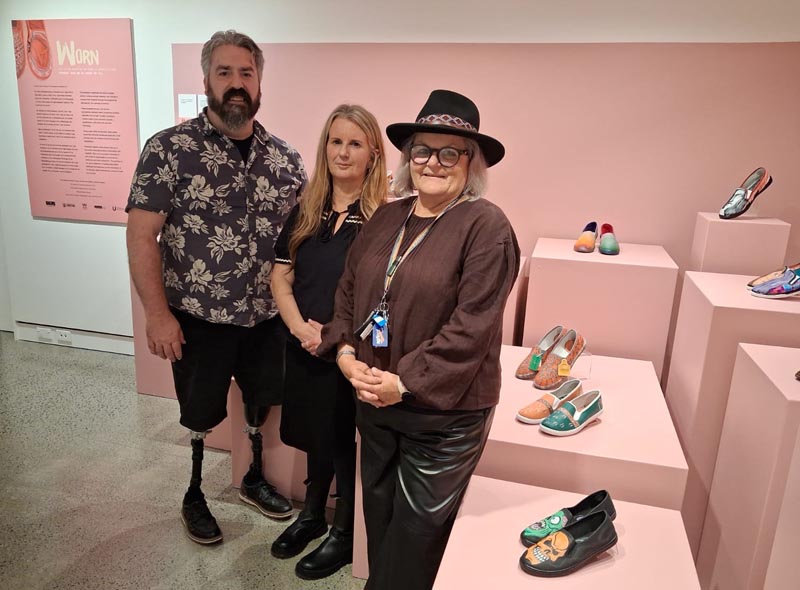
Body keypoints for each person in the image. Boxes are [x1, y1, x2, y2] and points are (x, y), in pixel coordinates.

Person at [318, 89, 520, 590]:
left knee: (416, 540)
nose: (434, 162)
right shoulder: (388, 216)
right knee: (381, 526)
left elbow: (472, 329)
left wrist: (402, 382)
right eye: (423, 150)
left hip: (442, 417)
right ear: (408, 158)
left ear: (470, 163)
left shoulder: (486, 226)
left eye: (450, 152)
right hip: (375, 403)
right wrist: (344, 352)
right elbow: (347, 291)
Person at [125, 30, 306, 545]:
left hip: (266, 318)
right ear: (206, 80)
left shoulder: (285, 159)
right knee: (200, 412)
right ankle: (195, 492)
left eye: (246, 73)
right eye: (224, 73)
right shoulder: (169, 150)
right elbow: (142, 236)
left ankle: (252, 477)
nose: (236, 84)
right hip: (198, 317)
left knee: (261, 399)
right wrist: (158, 316)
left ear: (260, 82)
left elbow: (301, 237)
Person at [270, 104, 387, 579]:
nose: (343, 152)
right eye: (336, 142)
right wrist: (301, 329)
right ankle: (312, 514)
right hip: (302, 343)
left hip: (349, 351)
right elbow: (280, 276)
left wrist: (336, 340)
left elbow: (381, 292)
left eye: (355, 143)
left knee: (344, 439)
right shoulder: (307, 208)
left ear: (373, 153)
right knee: (315, 434)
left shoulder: (383, 217)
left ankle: (343, 533)